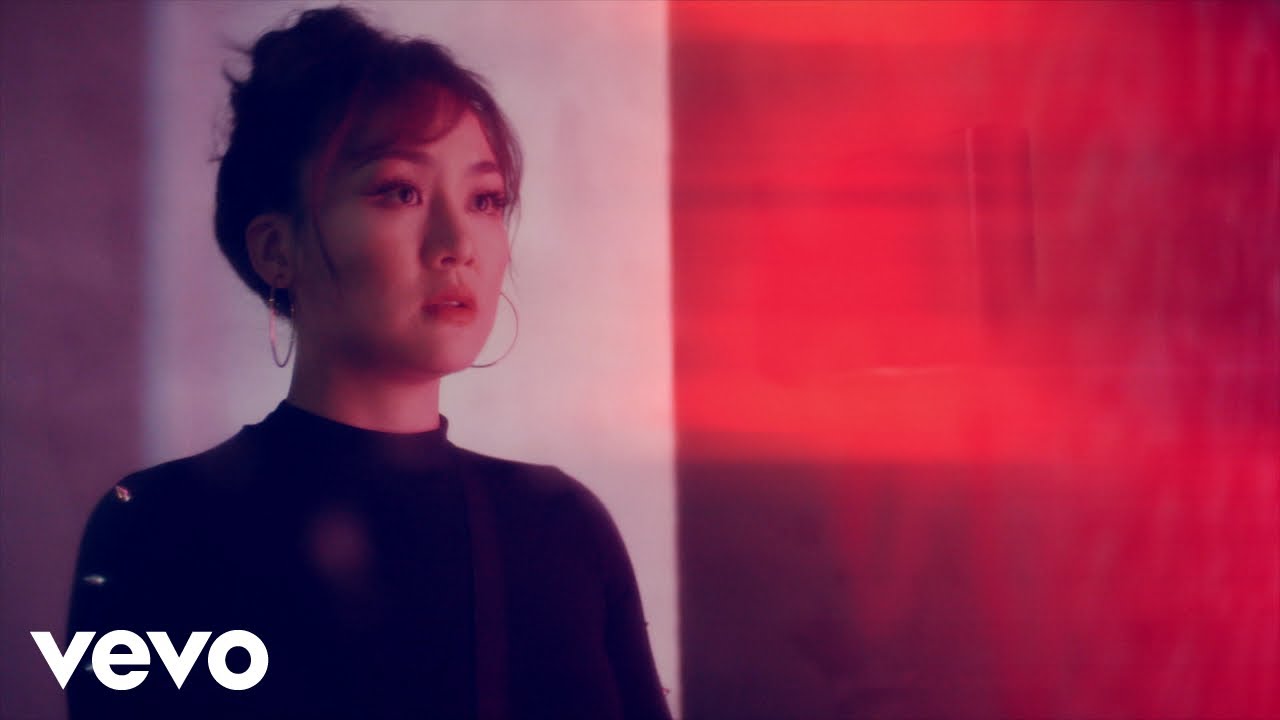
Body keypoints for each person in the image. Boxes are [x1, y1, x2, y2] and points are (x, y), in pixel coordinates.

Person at [65, 7, 672, 719]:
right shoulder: (156, 528)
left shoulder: (561, 527)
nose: (458, 243)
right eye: (400, 191)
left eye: (485, 199)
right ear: (276, 250)